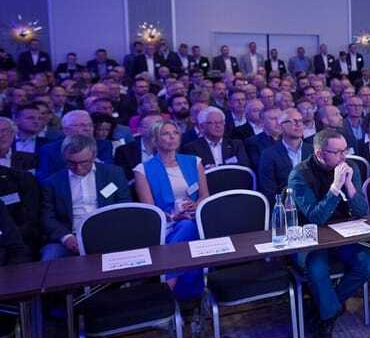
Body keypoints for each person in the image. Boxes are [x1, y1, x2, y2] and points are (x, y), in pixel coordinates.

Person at [289, 129, 370, 338]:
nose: (343, 156)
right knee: (317, 269)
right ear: (320, 154)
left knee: (368, 262)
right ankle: (328, 318)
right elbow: (316, 217)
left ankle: (327, 307)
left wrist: (349, 185)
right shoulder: (299, 175)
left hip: (342, 235)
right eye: (337, 152)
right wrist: (336, 186)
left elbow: (362, 212)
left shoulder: (350, 167)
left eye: (345, 150)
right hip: (310, 238)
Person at [133, 119, 210, 303]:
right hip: (165, 224)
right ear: (155, 140)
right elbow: (150, 210)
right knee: (187, 229)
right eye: (166, 134)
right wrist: (174, 216)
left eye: (175, 133)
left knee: (188, 226)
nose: (172, 137)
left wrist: (196, 205)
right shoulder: (142, 170)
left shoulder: (194, 161)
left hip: (195, 217)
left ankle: (168, 290)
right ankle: (191, 296)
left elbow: (204, 196)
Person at [40, 135, 132, 260]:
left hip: (108, 231)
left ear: (94, 156)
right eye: (71, 162)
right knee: (51, 257)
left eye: (84, 162)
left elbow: (124, 206)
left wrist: (110, 232)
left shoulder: (113, 174)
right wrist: (66, 237)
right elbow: (48, 217)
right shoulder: (52, 182)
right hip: (70, 235)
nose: (78, 168)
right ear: (64, 157)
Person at [36, 110, 115, 181]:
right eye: (82, 125)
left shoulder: (104, 145)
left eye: (90, 125)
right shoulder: (49, 150)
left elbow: (109, 171)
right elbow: (45, 178)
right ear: (66, 130)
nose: (87, 129)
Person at [258, 109, 311, 202]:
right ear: (281, 126)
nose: (298, 124)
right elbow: (268, 190)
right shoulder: (269, 154)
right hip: (284, 205)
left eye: (300, 121)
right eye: (293, 121)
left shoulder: (313, 151)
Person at [182, 106, 251, 169]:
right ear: (202, 127)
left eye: (221, 122)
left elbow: (244, 166)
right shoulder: (192, 148)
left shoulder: (236, 145)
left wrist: (217, 167)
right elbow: (193, 171)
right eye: (213, 123)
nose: (218, 126)